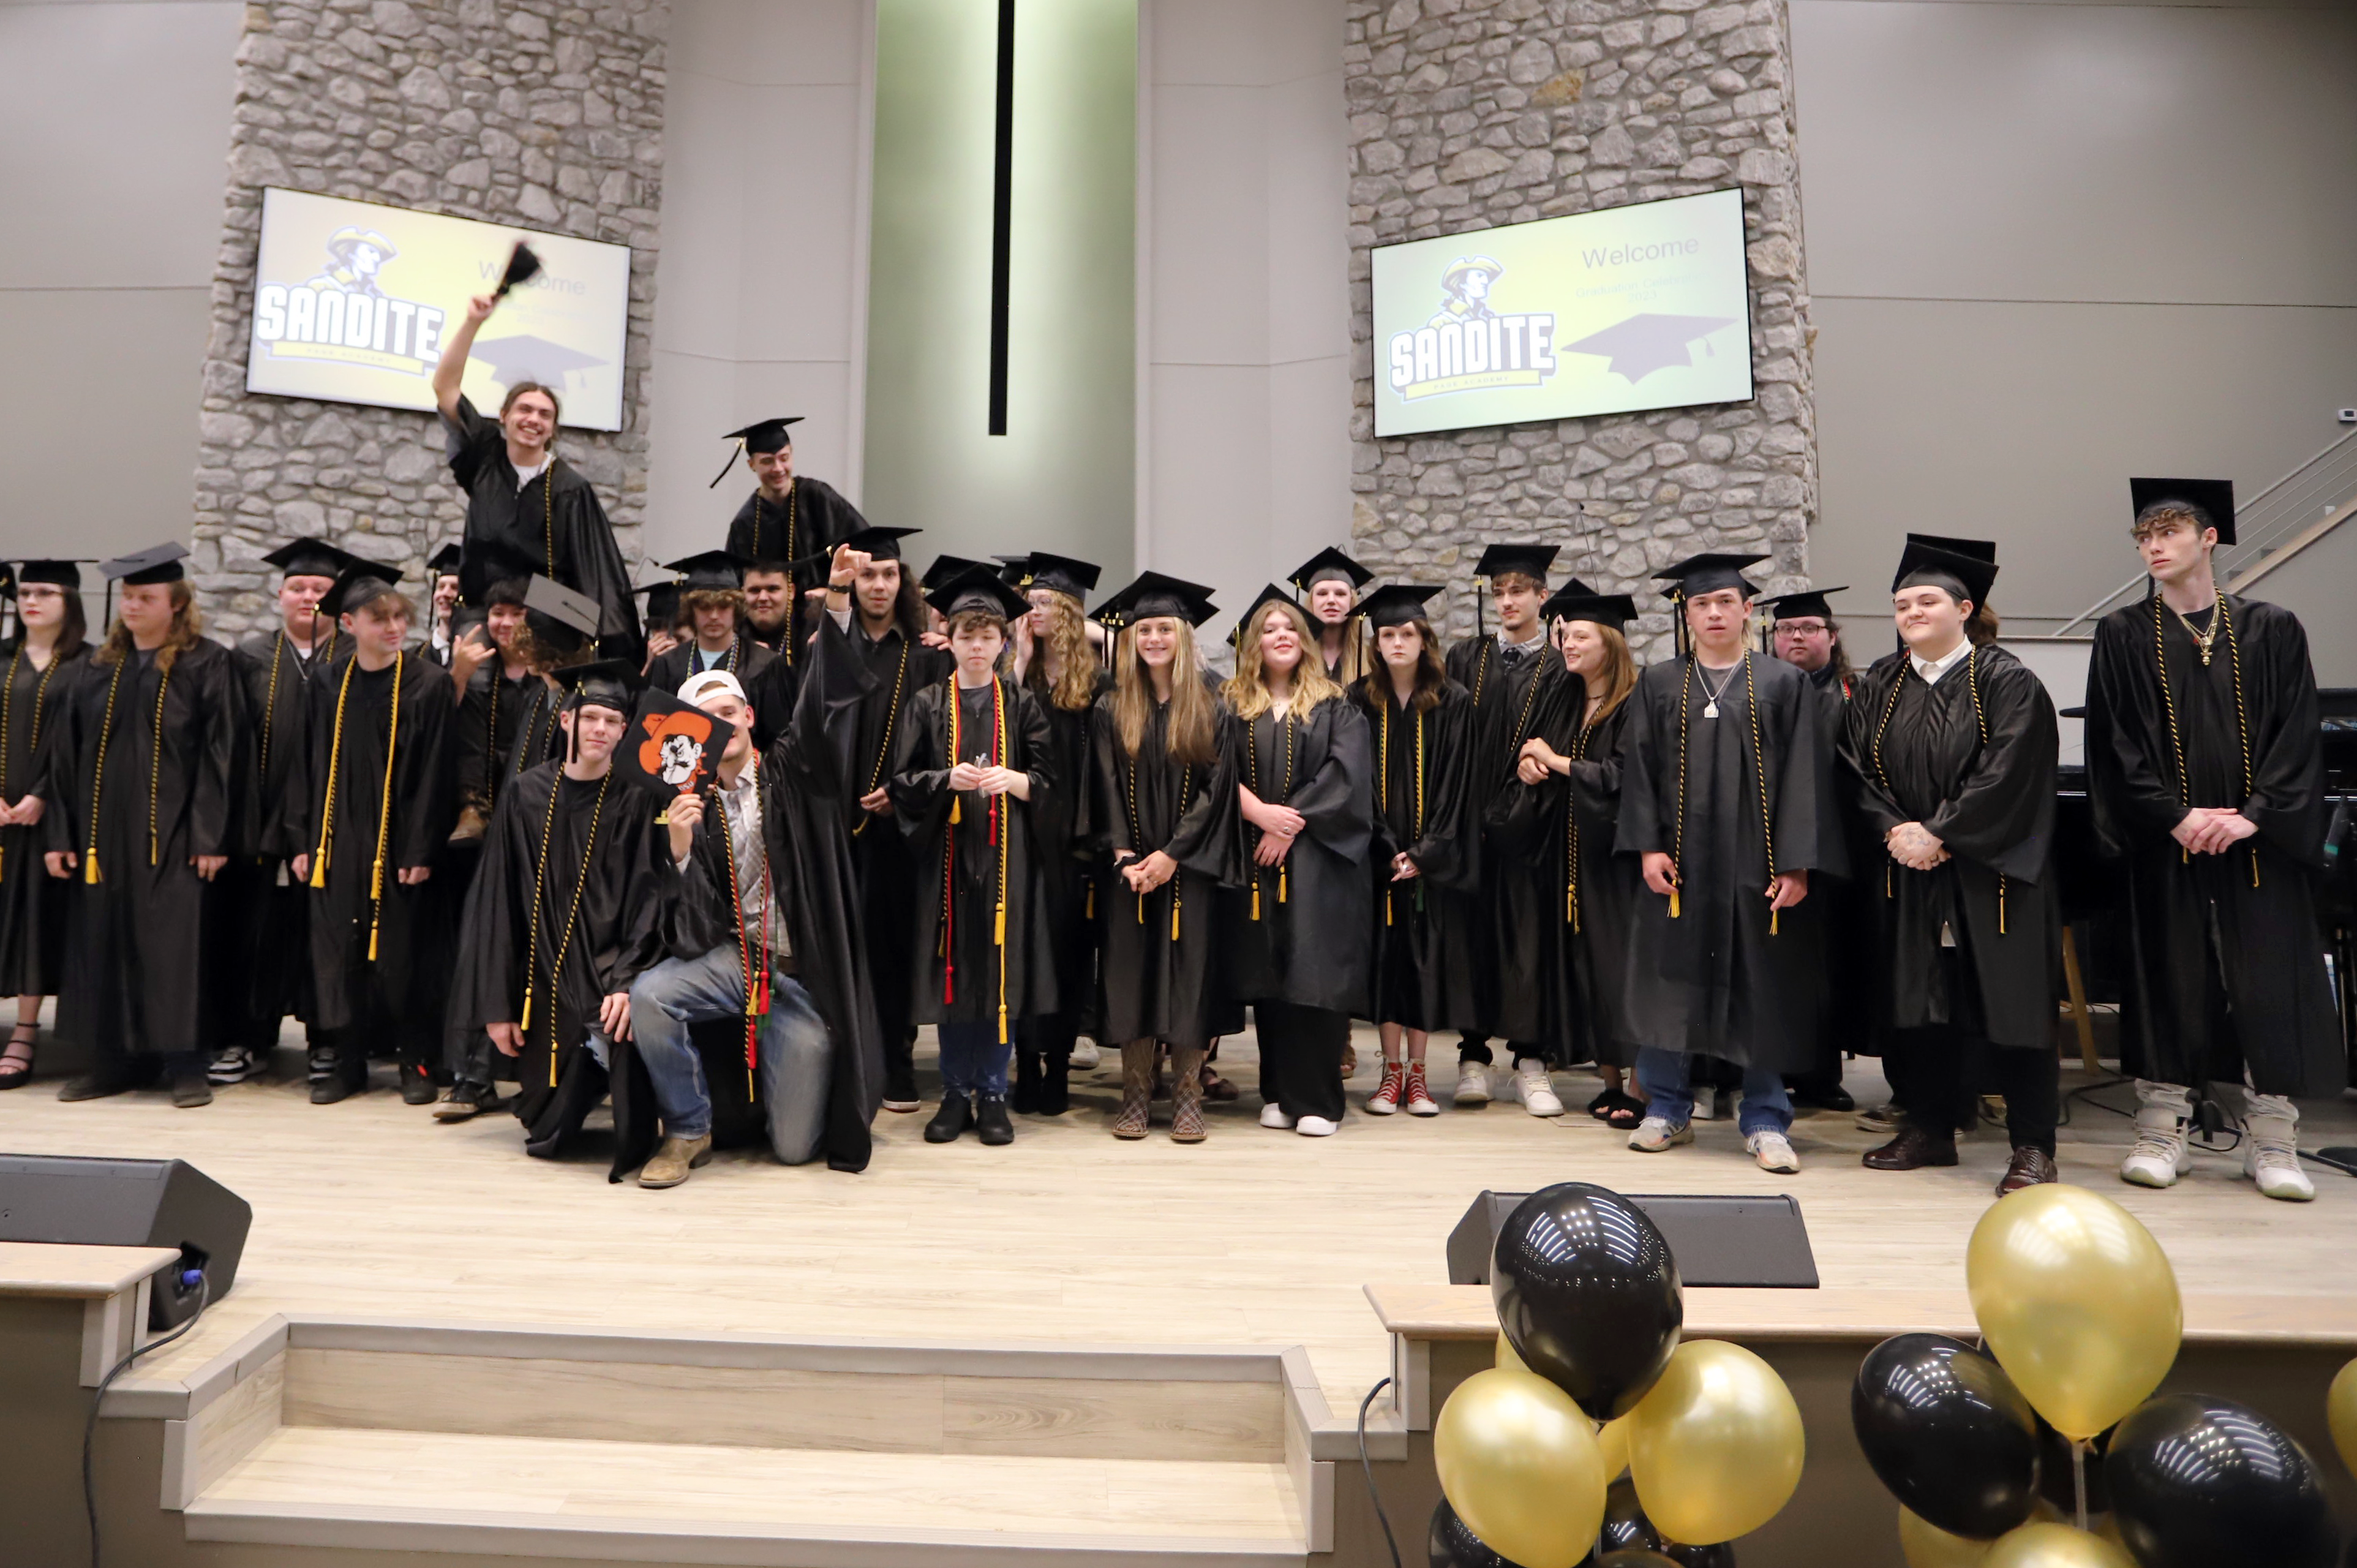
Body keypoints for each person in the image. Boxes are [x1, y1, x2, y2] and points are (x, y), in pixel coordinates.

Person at [2085, 478, 2341, 1202]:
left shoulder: (2272, 628)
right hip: (2170, 842)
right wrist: (2173, 814)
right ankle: (2164, 1123)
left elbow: (2298, 735)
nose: (2154, 546)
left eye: (2168, 532)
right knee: (2168, 974)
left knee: (2268, 979)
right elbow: (2114, 742)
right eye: (2144, 537)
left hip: (2258, 842)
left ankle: (2274, 1134)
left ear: (2209, 539)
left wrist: (2253, 813)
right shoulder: (2124, 634)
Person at [625, 545, 886, 1184]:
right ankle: (687, 1129)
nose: (724, 725)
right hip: (731, 965)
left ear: (747, 715)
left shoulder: (796, 772)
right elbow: (685, 934)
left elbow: (826, 695)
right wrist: (681, 853)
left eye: (730, 712)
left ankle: (784, 1071)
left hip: (797, 973)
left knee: (795, 1147)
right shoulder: (688, 805)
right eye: (705, 719)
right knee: (650, 996)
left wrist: (839, 599)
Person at [1840, 540, 2062, 1194]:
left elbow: (2013, 770)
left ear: (1964, 609)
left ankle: (2033, 1147)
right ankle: (1931, 1128)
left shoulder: (2006, 680)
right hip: (1910, 871)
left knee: (2015, 1009)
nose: (1912, 610)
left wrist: (1941, 831)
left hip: (1993, 876)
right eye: (1902, 604)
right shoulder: (1879, 682)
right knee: (1921, 1004)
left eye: (1927, 600)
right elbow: (1853, 770)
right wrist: (1896, 832)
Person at [1615, 553, 1839, 1172]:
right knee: (1671, 981)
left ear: (1747, 609)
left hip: (1755, 865)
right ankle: (1666, 1107)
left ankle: (1766, 1119)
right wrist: (1648, 846)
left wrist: (1797, 865)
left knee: (1761, 982)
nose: (1713, 613)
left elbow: (1804, 780)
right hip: (1680, 867)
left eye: (1724, 603)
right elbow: (1640, 772)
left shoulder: (1780, 683)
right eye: (1700, 605)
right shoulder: (1660, 683)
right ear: (1686, 614)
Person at [43, 543, 247, 1107]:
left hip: (175, 832)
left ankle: (185, 1066)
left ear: (177, 605)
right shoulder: (94, 669)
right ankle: (113, 1064)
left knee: (174, 950)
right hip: (100, 838)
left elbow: (222, 754)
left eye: (146, 598)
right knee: (102, 943)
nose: (132, 607)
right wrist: (61, 836)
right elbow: (64, 758)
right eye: (128, 598)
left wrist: (210, 835)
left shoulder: (207, 662)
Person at [449, 657, 671, 1158]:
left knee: (627, 1119)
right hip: (544, 977)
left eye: (613, 721)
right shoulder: (527, 794)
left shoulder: (639, 798)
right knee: (546, 1133)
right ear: (567, 719)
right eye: (591, 717)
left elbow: (650, 896)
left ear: (624, 731)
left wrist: (630, 979)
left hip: (610, 966)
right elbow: (499, 904)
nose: (601, 729)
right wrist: (498, 1006)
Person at [889, 567, 1059, 1145]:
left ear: (1003, 642)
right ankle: (955, 1091)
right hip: (948, 861)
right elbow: (903, 782)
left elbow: (1054, 787)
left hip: (1009, 863)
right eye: (967, 636)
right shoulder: (927, 703)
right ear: (951, 641)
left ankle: (993, 1091)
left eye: (988, 636)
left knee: (1000, 971)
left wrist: (1013, 780)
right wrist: (946, 780)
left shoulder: (1023, 703)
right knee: (954, 974)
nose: (978, 646)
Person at [287, 566, 456, 1104]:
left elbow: (437, 772)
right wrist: (301, 841)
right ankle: (347, 1061)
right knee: (340, 953)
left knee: (402, 955)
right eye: (379, 618)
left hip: (397, 844)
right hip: (335, 844)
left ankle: (414, 1061)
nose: (393, 626)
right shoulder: (328, 682)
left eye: (400, 617)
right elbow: (303, 765)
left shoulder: (426, 684)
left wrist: (420, 847)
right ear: (348, 623)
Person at [1221, 587, 1372, 1136]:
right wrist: (1260, 813)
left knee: (1317, 973)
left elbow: (1347, 777)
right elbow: (1214, 773)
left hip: (1321, 861)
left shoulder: (1337, 706)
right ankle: (1279, 1093)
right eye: (1269, 628)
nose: (1281, 635)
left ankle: (1320, 1101)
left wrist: (1288, 823)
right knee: (1271, 971)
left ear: (1304, 641)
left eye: (1290, 628)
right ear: (1254, 644)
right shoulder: (1232, 705)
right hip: (1256, 855)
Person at [1090, 573, 1236, 1142]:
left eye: (1162, 628)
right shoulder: (1111, 705)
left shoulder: (1213, 699)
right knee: (1132, 975)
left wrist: (1172, 856)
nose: (1152, 637)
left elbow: (1216, 787)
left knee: (1189, 978)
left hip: (1189, 867)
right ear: (1132, 637)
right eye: (1143, 628)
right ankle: (1133, 1095)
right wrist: (1126, 855)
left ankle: (1188, 1097)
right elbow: (1101, 783)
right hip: (1131, 872)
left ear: (1181, 634)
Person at [217, 537, 362, 1088]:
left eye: (320, 590)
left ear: (336, 601)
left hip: (330, 829)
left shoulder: (354, 659)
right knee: (252, 935)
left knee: (323, 940)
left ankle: (326, 1042)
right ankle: (247, 1038)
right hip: (257, 826)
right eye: (298, 587)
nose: (308, 597)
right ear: (279, 595)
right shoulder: (249, 657)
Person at [433, 292, 640, 659]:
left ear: (552, 428)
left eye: (545, 415)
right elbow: (445, 387)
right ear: (504, 416)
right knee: (473, 684)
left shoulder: (569, 488)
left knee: (542, 687)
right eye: (525, 409)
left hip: (544, 608)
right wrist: (473, 322)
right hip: (482, 603)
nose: (533, 419)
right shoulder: (484, 459)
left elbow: (593, 571)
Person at [823, 526, 949, 1112]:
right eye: (869, 574)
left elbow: (941, 745)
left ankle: (898, 1063)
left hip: (901, 826)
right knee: (840, 941)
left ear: (904, 582)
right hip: (834, 815)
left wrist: (902, 793)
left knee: (896, 946)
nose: (878, 584)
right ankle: (847, 1059)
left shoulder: (925, 656)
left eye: (888, 574)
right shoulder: (834, 639)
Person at [1443, 543, 1569, 1115]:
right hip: (1472, 818)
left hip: (1532, 823)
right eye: (1499, 592)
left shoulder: (1562, 664)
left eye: (1519, 591)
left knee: (1528, 936)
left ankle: (1531, 1060)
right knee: (1472, 936)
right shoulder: (1467, 656)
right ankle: (1473, 1056)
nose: (1508, 601)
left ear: (1543, 596)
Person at [1518, 590, 1647, 1127]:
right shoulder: (1570, 700)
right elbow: (1542, 753)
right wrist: (1533, 761)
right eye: (1565, 635)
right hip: (1573, 859)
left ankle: (1641, 1087)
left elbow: (1623, 777)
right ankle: (1610, 1079)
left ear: (1610, 643)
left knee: (1625, 972)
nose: (1567, 644)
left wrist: (1556, 759)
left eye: (1580, 636)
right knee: (1589, 969)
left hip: (1619, 860)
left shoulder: (1635, 703)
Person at [1351, 584, 1482, 1116]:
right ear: (1376, 643)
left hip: (1431, 865)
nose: (1398, 642)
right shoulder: (1358, 700)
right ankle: (1389, 1075)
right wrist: (1387, 850)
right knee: (1387, 963)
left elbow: (1459, 785)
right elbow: (1355, 782)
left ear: (1424, 640)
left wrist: (1424, 854)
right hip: (1380, 861)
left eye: (1408, 633)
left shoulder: (1453, 701)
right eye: (1388, 634)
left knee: (1424, 961)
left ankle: (1421, 1079)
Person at [1007, 551, 1106, 1108]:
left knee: (1068, 954)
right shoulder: (1016, 677)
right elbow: (993, 722)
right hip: (1024, 833)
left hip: (1074, 840)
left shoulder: (1096, 680)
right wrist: (1019, 659)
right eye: (1028, 602)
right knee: (1025, 952)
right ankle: (1025, 1061)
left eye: (1045, 602)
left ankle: (1060, 1068)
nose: (1033, 610)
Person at [1762, 583, 1866, 1117]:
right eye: (1786, 629)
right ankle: (1768, 1072)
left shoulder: (1855, 693)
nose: (1796, 636)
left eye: (1807, 628)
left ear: (1831, 636)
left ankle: (1822, 1076)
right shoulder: (1761, 688)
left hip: (1838, 853)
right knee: (1775, 966)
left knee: (1827, 968)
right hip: (1766, 851)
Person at [0, 562, 91, 1089]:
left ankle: (27, 1030)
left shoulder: (91, 664)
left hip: (52, 819)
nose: (31, 600)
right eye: (25, 591)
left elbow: (86, 745)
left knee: (36, 922)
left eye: (46, 592)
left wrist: (43, 796)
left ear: (70, 600)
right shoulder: (3, 657)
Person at [715, 418, 868, 676]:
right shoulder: (745, 523)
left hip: (825, 619)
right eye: (767, 461)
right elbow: (735, 588)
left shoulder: (819, 498)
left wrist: (836, 590)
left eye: (784, 458)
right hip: (773, 632)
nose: (778, 468)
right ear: (751, 464)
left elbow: (865, 551)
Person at [642, 551, 781, 699]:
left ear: (737, 608)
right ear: (691, 610)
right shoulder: (667, 665)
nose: (714, 616)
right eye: (704, 607)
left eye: (723, 606)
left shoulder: (764, 664)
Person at [1293, 548, 1375, 687]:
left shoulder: (1370, 660)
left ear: (1352, 602)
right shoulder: (1295, 657)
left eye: (1340, 594)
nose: (1331, 600)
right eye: (1322, 593)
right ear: (1311, 602)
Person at [422, 543, 463, 666]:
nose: (445, 593)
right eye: (441, 587)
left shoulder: (483, 662)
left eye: (455, 587)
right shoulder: (414, 657)